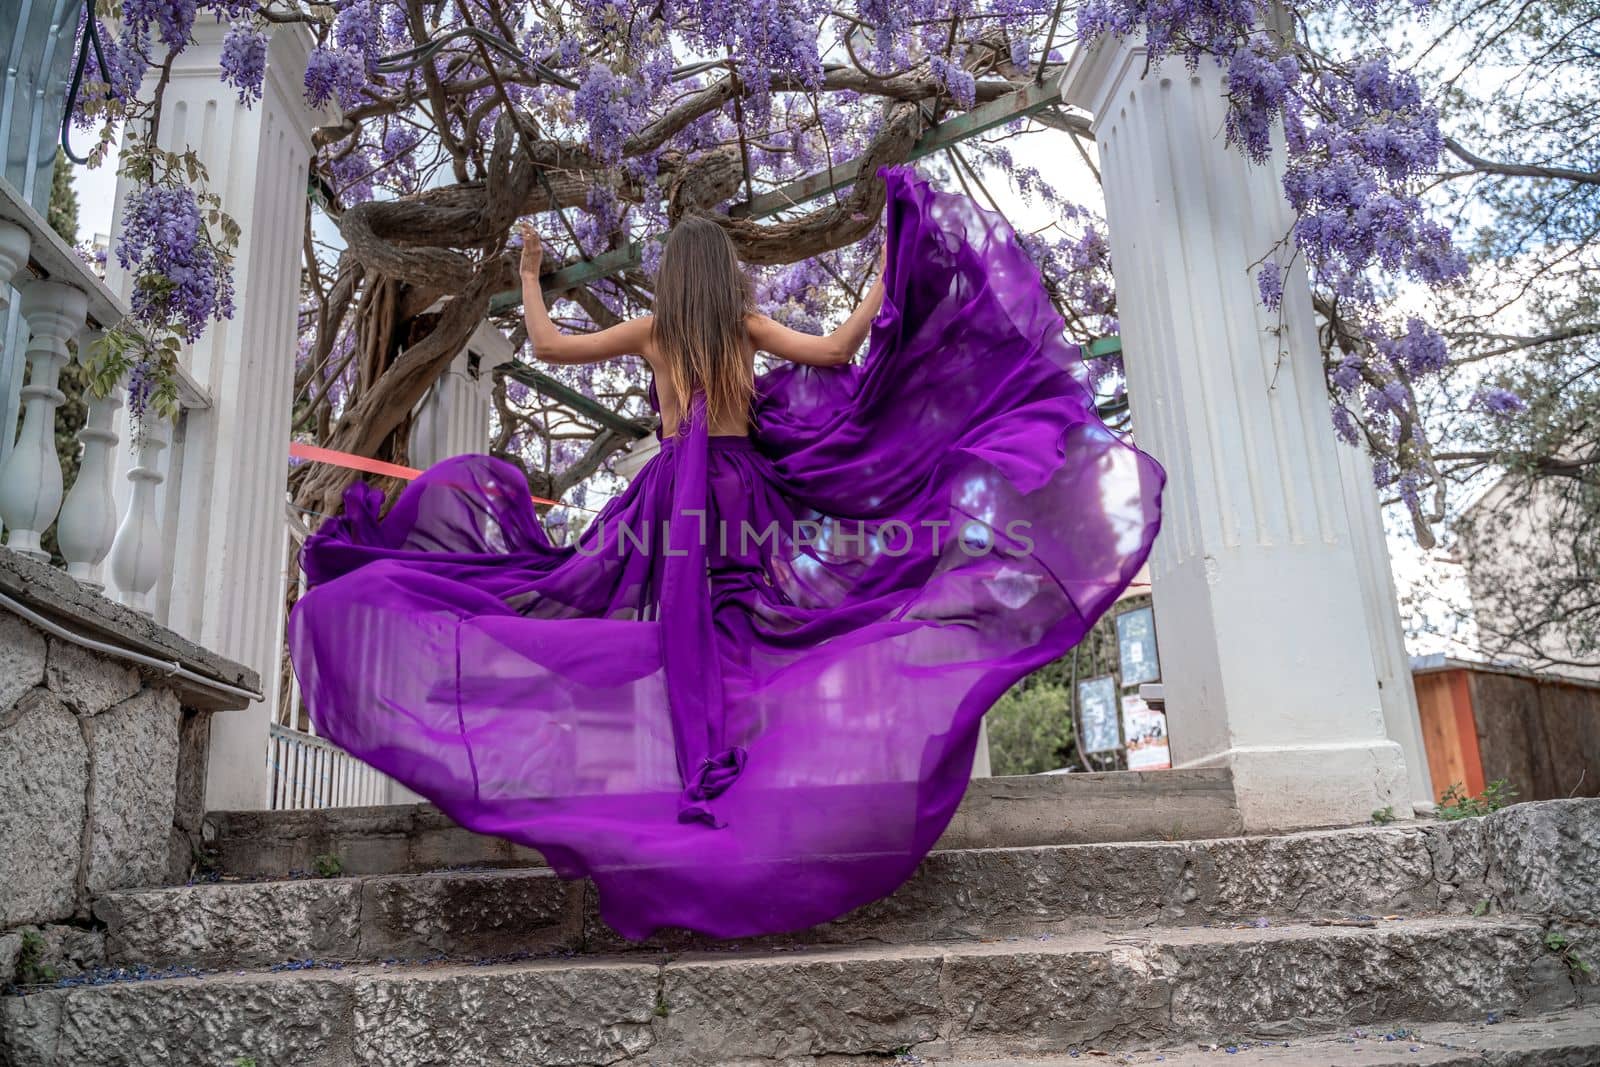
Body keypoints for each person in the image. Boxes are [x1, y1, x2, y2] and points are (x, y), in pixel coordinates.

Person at [289, 166, 1164, 942]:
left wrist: (527, 275)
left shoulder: (654, 331)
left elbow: (550, 346)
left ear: (673, 278)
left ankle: (690, 777)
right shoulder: (739, 326)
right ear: (728, 277)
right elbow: (836, 352)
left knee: (631, 623)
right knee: (758, 636)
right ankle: (747, 781)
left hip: (674, 501)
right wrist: (883, 283)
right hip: (745, 491)